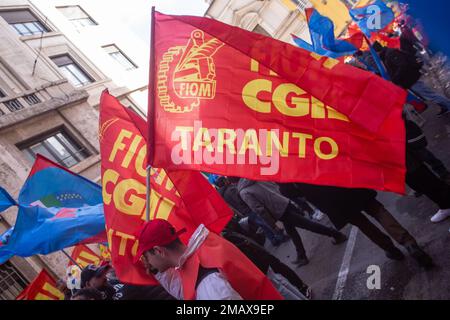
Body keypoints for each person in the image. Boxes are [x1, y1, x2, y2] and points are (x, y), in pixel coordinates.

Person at [279, 183, 434, 269]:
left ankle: (391, 249)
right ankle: (408, 243)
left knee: (363, 224)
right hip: (344, 183)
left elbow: (288, 192)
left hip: (330, 202)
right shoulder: (304, 133)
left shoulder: (283, 163)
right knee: (378, 210)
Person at [133, 219, 283, 300]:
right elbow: (182, 289)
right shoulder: (203, 249)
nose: (147, 262)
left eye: (145, 256)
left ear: (159, 251)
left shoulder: (206, 283)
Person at [237, 179, 347, 267]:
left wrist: (272, 225)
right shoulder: (253, 177)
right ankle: (301, 255)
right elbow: (273, 185)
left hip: (278, 210)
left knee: (308, 225)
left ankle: (336, 234)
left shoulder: (244, 191)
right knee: (292, 231)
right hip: (282, 202)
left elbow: (259, 209)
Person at [222, 227, 311, 300]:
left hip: (257, 262)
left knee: (279, 286)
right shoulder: (226, 233)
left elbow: (243, 247)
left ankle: (302, 288)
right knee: (280, 282)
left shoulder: (225, 237)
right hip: (258, 258)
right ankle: (302, 291)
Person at [374, 41, 450, 116]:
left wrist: (395, 78)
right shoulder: (387, 54)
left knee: (430, 95)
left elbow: (403, 65)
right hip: (410, 79)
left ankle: (447, 105)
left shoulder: (390, 54)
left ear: (376, 51)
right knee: (429, 95)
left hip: (411, 79)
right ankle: (444, 106)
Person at [216, 176, 289, 246]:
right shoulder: (230, 190)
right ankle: (280, 236)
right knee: (266, 223)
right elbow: (240, 199)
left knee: (263, 225)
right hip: (248, 209)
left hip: (243, 212)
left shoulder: (222, 196)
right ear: (224, 182)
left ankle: (273, 240)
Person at [405, 120, 450, 226]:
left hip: (407, 157)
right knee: (421, 184)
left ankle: (445, 204)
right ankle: (444, 205)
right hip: (398, 161)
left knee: (428, 182)